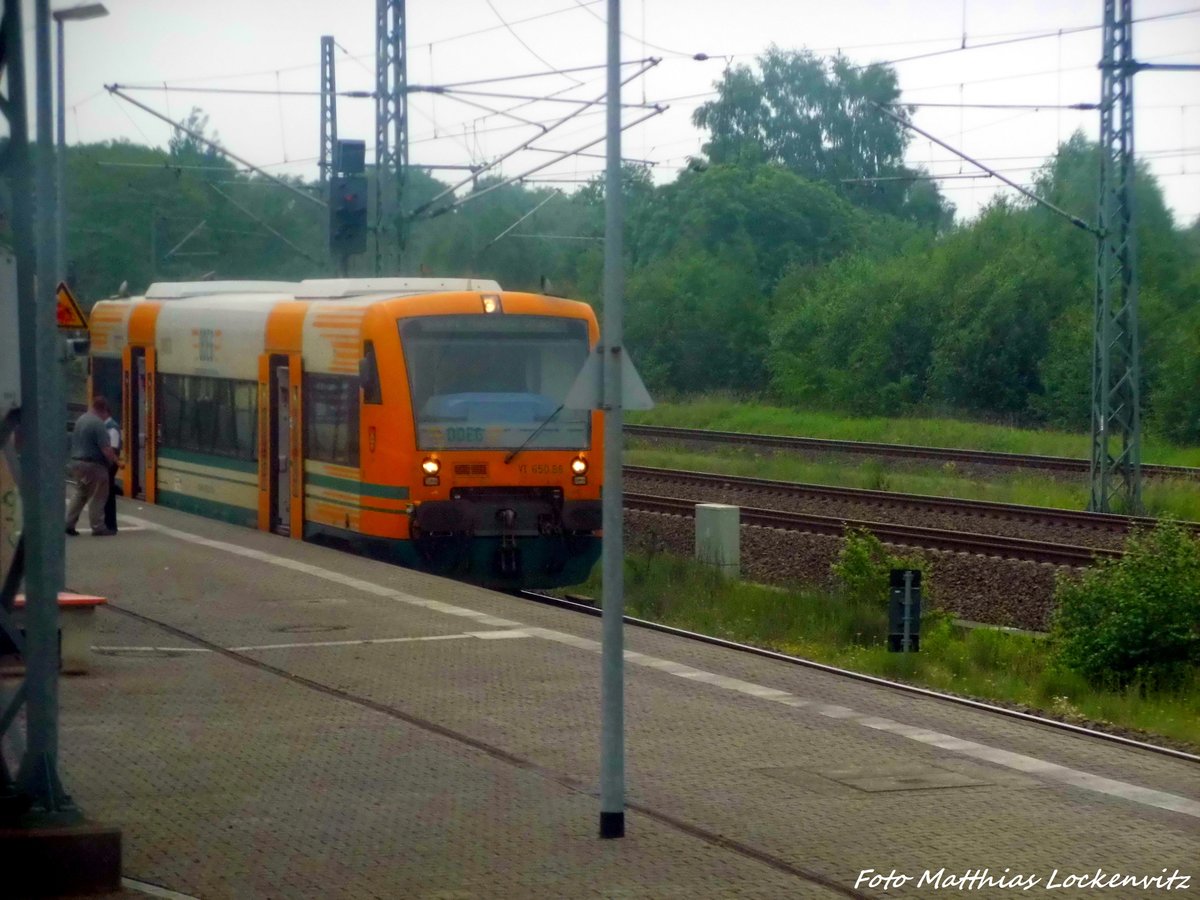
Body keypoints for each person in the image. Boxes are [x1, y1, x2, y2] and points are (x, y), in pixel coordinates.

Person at [65, 396, 117, 537]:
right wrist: (114, 461)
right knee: (99, 495)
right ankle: (98, 527)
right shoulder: (98, 424)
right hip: (93, 466)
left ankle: (68, 524)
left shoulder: (81, 420)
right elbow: (106, 449)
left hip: (76, 463)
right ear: (103, 409)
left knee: (80, 493)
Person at [102, 409, 121, 533]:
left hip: (110, 464)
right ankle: (108, 524)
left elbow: (112, 449)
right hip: (108, 464)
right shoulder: (105, 426)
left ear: (105, 413)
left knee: (108, 495)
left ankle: (111, 525)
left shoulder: (112, 428)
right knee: (106, 494)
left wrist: (116, 462)